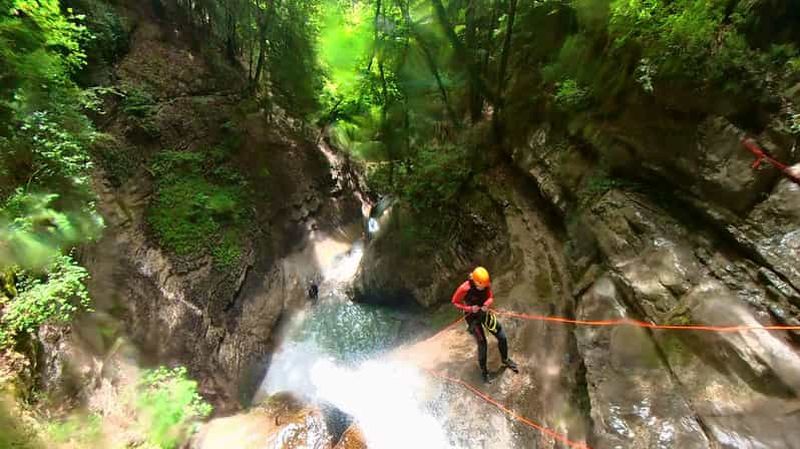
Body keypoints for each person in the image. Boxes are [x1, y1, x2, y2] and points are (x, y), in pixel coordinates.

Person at [451, 266, 517, 383]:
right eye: (482, 285)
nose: (484, 287)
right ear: (475, 281)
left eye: (486, 285)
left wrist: (486, 304)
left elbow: (490, 296)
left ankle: (505, 359)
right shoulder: (464, 288)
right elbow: (455, 302)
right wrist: (469, 308)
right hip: (472, 317)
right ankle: (484, 372)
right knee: (482, 344)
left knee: (501, 336)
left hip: (484, 312)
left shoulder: (485, 284)